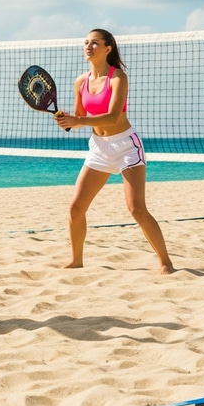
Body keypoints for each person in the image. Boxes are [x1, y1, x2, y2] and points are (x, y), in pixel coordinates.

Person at [54, 29, 175, 275]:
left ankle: (166, 263)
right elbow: (81, 117)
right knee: (75, 208)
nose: (88, 46)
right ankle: (76, 260)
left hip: (125, 146)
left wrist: (78, 120)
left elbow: (111, 117)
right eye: (86, 42)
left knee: (136, 208)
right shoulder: (81, 81)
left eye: (94, 43)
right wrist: (67, 119)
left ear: (108, 48)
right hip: (98, 148)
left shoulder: (117, 78)